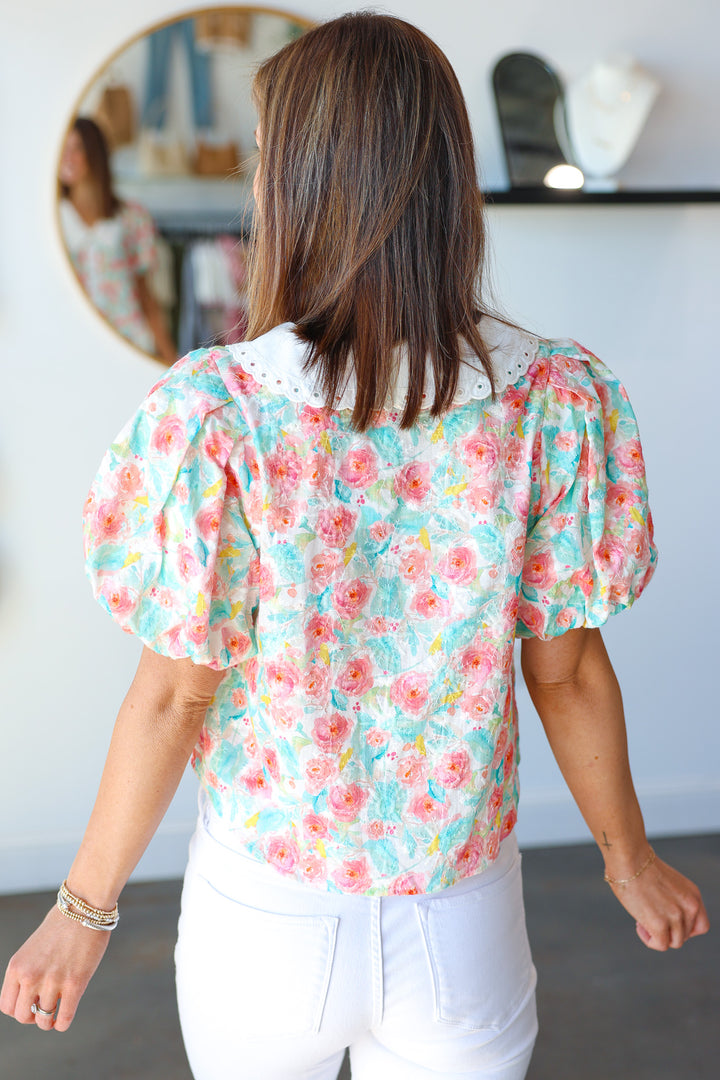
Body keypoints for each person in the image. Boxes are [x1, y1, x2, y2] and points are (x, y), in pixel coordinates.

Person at [2, 13, 708, 1080]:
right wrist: (628, 857)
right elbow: (563, 673)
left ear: (291, 181)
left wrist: (82, 911)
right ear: (447, 177)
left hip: (265, 920)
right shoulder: (553, 397)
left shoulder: (220, 411)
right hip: (458, 921)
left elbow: (172, 695)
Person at [58, 116, 177, 365]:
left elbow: (145, 293)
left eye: (77, 148)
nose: (67, 157)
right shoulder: (52, 219)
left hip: (128, 341)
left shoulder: (132, 217)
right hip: (73, 344)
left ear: (94, 153)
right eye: (63, 149)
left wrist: (169, 359)